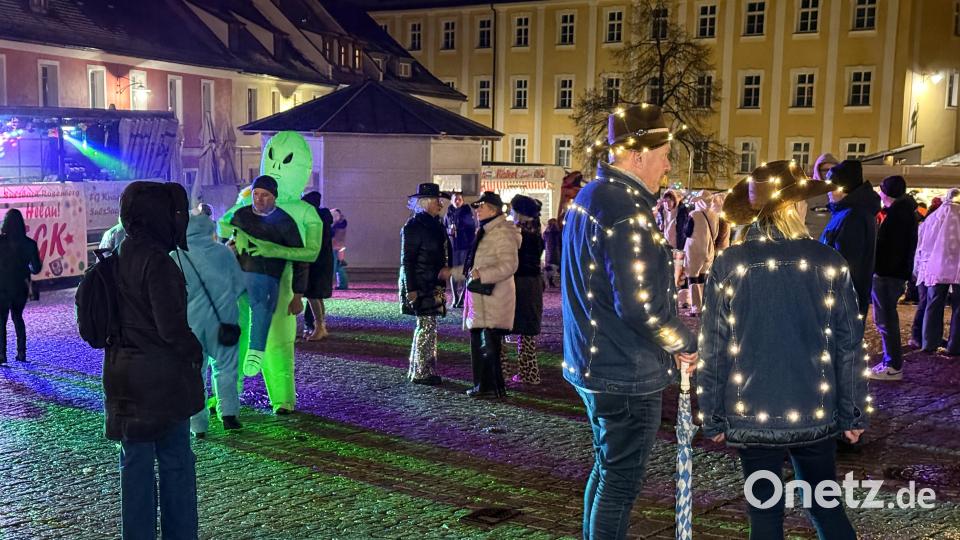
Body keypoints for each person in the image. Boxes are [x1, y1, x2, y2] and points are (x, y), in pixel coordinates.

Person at [699, 160, 868, 540]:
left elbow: (713, 346)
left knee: (764, 515)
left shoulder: (729, 263)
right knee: (824, 505)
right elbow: (848, 346)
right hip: (814, 410)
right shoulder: (828, 262)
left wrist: (712, 415)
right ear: (794, 207)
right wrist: (852, 413)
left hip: (752, 411)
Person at [562, 104, 697, 539]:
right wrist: (684, 342)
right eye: (663, 153)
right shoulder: (625, 210)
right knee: (620, 481)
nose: (668, 164)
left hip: (594, 360)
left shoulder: (592, 197)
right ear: (637, 155)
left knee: (607, 470)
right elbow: (639, 307)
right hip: (624, 369)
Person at [104, 181, 204, 539]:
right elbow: (171, 328)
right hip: (161, 381)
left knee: (135, 464)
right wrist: (195, 351)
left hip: (122, 378)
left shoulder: (115, 257)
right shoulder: (158, 262)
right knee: (176, 459)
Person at [225, 175, 306, 377]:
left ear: (274, 197)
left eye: (265, 195)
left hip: (266, 276)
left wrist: (298, 294)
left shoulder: (285, 222)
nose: (259, 199)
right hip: (238, 275)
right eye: (256, 194)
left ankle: (256, 350)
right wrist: (229, 248)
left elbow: (301, 259)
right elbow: (228, 243)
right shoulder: (241, 215)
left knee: (261, 307)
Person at [174, 212, 246, 436]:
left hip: (190, 323)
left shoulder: (176, 256)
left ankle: (198, 424)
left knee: (194, 372)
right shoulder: (223, 252)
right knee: (226, 368)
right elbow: (239, 284)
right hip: (223, 320)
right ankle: (229, 414)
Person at [462, 191, 520, 399]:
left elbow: (509, 265)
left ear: (493, 210)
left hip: (493, 298)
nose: (477, 210)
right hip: (483, 299)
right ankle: (486, 386)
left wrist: (482, 274)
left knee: (488, 346)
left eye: (481, 206)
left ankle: (490, 388)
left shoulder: (501, 232)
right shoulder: (487, 231)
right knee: (482, 344)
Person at [400, 183, 453, 385]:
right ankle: (422, 371)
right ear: (427, 202)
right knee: (426, 327)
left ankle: (420, 368)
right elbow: (408, 260)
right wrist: (411, 289)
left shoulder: (434, 224)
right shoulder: (414, 226)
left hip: (432, 282)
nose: (440, 204)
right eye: (437, 200)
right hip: (422, 284)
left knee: (427, 326)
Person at [869, 176, 918, 381]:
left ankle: (893, 365)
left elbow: (892, 248)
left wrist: (879, 267)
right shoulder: (905, 212)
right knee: (886, 318)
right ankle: (890, 362)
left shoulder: (898, 215)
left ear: (886, 193)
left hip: (888, 274)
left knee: (885, 319)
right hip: (893, 273)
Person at [819, 160, 881, 317]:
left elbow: (846, 264)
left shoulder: (853, 217)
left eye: (830, 187)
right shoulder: (848, 213)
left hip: (841, 303)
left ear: (841, 188)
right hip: (841, 299)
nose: (827, 192)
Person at [502, 194, 545, 385]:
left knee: (502, 327)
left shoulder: (516, 234)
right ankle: (529, 373)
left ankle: (501, 370)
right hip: (533, 283)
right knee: (527, 332)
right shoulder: (536, 233)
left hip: (517, 283)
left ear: (518, 213)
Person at [914, 188, 960, 356]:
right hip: (955, 268)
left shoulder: (933, 218)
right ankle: (956, 345)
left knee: (933, 304)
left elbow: (923, 245)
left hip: (936, 267)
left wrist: (920, 266)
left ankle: (930, 342)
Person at [0, 209, 41, 363]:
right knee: (18, 318)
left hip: (2, 286)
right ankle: (21, 353)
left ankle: (1, 354)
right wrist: (25, 268)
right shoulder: (30, 243)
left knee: (1, 321)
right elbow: (36, 268)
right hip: (20, 287)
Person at [301, 191, 334, 341]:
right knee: (316, 295)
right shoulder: (324, 218)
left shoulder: (314, 218)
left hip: (315, 259)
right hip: (324, 259)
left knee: (312, 295)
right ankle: (320, 326)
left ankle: (319, 327)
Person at [683, 194, 719, 315]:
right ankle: (704, 305)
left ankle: (695, 307)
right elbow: (716, 233)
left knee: (692, 277)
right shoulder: (714, 215)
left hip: (694, 249)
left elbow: (687, 231)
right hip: (709, 250)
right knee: (703, 278)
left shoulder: (694, 214)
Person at [444, 192, 477, 308]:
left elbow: (472, 229)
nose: (457, 201)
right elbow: (445, 228)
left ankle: (462, 297)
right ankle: (455, 297)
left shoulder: (467, 212)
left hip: (465, 246)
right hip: (453, 246)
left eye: (459, 199)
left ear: (463, 201)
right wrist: (449, 231)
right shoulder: (448, 213)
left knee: (463, 272)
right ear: (451, 201)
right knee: (453, 272)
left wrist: (460, 229)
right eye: (455, 199)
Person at [332, 208, 349, 290]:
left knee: (333, 267)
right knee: (340, 266)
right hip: (340, 246)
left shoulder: (335, 226)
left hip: (333, 247)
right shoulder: (343, 223)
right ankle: (343, 284)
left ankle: (328, 284)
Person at [542, 218, 562, 287]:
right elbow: (560, 243)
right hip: (556, 252)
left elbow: (543, 243)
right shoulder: (557, 233)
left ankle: (550, 281)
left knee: (550, 267)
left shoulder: (546, 233)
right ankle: (552, 281)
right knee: (556, 266)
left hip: (548, 252)